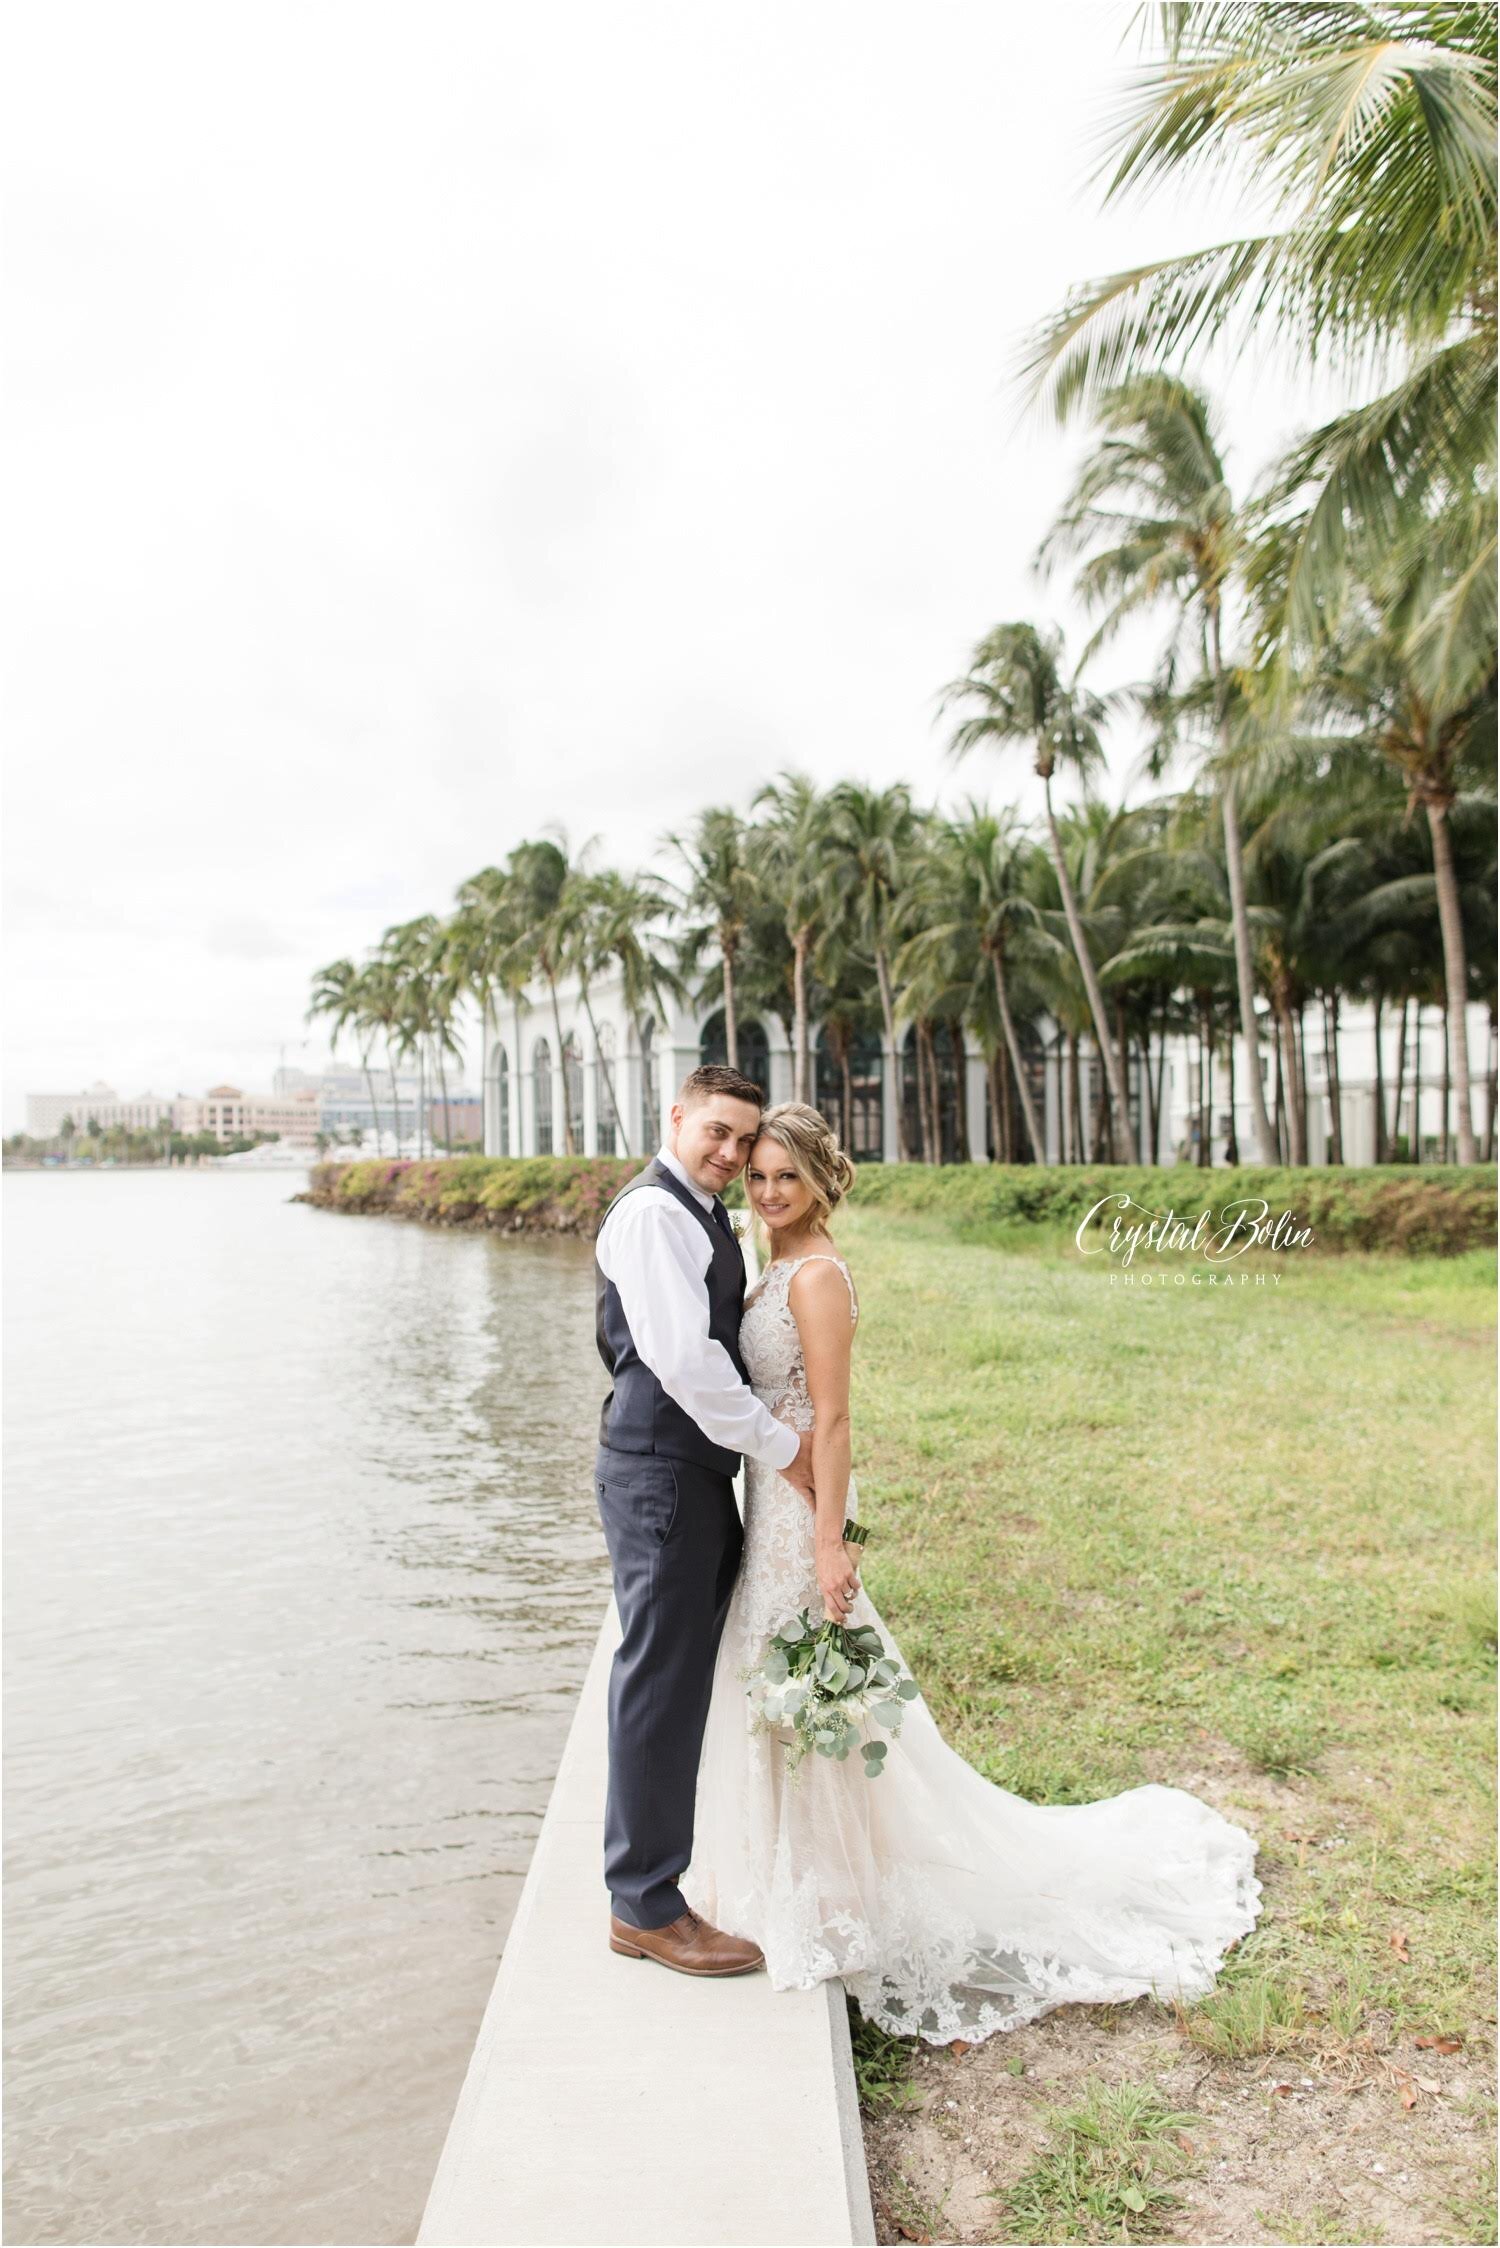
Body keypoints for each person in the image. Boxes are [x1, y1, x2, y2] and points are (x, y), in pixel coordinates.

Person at [681, 1100, 1265, 2044]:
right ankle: (808, 1881)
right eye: (758, 1175)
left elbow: (833, 1422)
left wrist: (834, 1539)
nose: (769, 1191)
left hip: (803, 1514)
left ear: (823, 1180)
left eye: (787, 1175)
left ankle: (835, 1901)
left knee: (814, 1697)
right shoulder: (772, 1267)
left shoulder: (818, 1276)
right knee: (788, 1694)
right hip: (773, 1504)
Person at [592, 1063, 812, 1976]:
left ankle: (651, 1885)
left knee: (676, 1676)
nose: (730, 1153)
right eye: (715, 1132)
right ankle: (645, 1903)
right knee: (660, 1680)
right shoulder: (653, 1214)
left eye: (742, 1138)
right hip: (662, 1473)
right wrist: (782, 1447)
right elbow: (684, 1360)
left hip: (683, 1470)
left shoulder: (699, 1208)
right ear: (675, 1116)